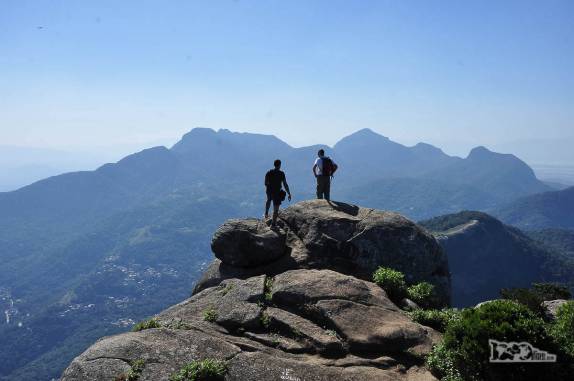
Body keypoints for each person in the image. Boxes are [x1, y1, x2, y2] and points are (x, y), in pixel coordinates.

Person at [264, 159, 292, 226]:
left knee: (268, 200)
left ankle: (266, 213)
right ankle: (273, 224)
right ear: (280, 165)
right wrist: (289, 193)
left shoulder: (269, 172)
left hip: (269, 191)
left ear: (274, 165)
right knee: (276, 208)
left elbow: (265, 183)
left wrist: (269, 187)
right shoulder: (281, 173)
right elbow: (285, 184)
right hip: (277, 192)